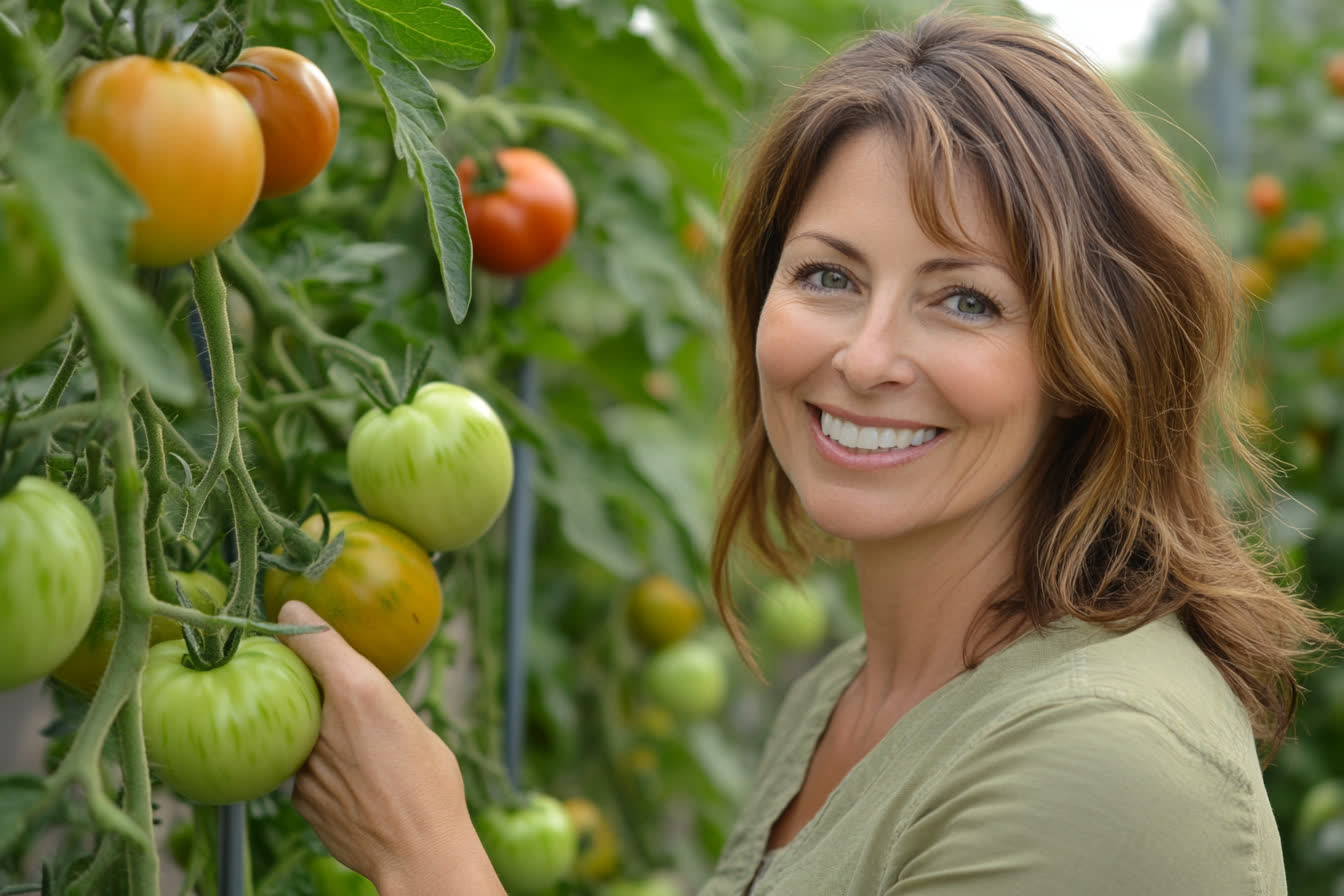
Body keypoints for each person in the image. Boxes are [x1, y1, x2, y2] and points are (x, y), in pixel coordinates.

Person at [276, 9, 1335, 895]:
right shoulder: (848, 693)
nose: (865, 357)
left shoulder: (1109, 763)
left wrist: (427, 853)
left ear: (1087, 358)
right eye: (828, 275)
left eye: (964, 299)